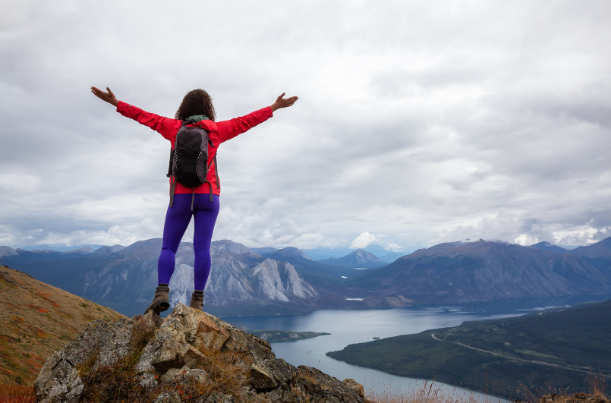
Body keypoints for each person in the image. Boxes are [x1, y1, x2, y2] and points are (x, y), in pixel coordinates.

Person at [91, 86, 298, 313]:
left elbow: (143, 116)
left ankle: (161, 291)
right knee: (202, 248)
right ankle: (197, 301)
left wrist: (116, 103)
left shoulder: (172, 128)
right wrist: (274, 107)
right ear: (209, 108)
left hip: (179, 196)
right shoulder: (217, 130)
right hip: (208, 197)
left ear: (184, 108)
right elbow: (246, 121)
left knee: (169, 247)